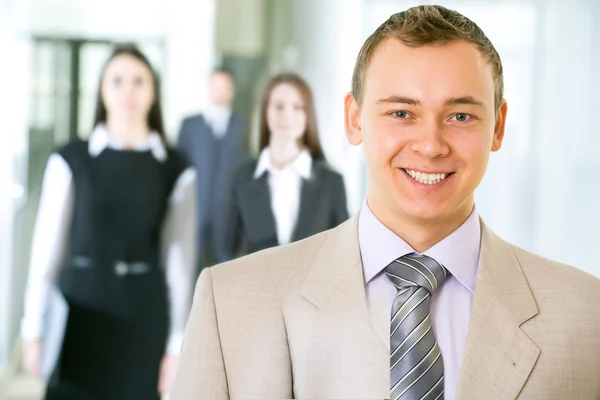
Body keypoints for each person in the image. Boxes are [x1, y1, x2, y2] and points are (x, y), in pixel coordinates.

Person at [171, 5, 600, 400]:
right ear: (354, 119)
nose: (431, 145)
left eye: (460, 116)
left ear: (498, 126)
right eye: (401, 113)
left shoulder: (585, 316)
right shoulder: (227, 304)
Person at [21, 45, 196, 400]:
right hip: (79, 313)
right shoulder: (71, 158)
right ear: (102, 90)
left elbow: (179, 263)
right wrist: (33, 328)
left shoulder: (175, 168)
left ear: (153, 92)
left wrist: (177, 345)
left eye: (138, 81)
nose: (128, 90)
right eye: (117, 81)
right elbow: (46, 253)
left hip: (144, 316)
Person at [217, 72, 349, 261]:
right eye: (278, 106)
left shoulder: (332, 183)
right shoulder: (241, 178)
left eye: (297, 107)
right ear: (265, 112)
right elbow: (225, 252)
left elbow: (343, 256)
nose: (287, 115)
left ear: (307, 114)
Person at [176, 68, 247, 276]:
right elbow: (180, 168)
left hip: (228, 210)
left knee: (224, 267)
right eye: (216, 86)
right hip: (195, 208)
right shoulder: (190, 125)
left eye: (225, 87)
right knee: (190, 266)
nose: (220, 91)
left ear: (232, 91)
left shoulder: (243, 126)